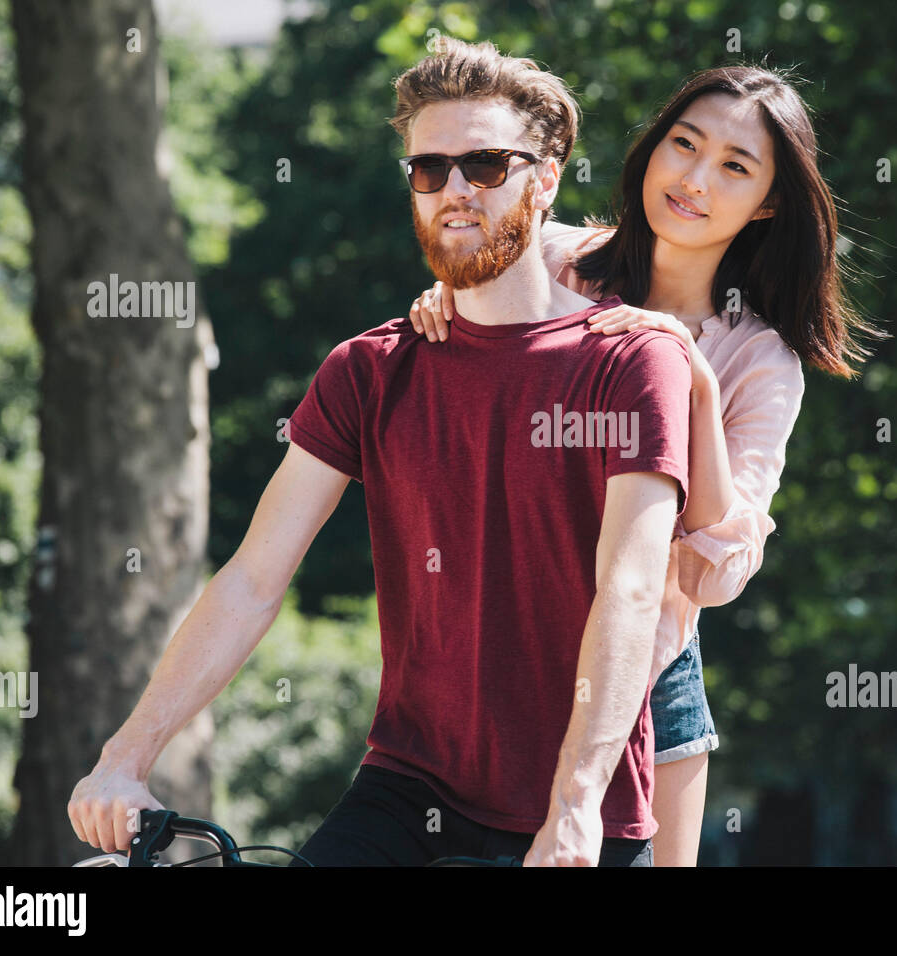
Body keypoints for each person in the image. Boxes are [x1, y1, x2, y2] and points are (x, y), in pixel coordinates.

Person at [67, 36, 691, 867]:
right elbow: (254, 578)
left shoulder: (629, 360)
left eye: (486, 166)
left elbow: (633, 587)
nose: (455, 192)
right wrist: (123, 758)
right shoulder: (369, 369)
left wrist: (572, 805)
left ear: (545, 181)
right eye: (428, 171)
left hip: (585, 807)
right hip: (409, 787)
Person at [408, 63, 882, 865]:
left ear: (768, 201)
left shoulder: (760, 362)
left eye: (734, 167)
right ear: (651, 149)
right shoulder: (554, 259)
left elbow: (713, 577)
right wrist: (440, 299)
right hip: (499, 646)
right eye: (683, 145)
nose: (695, 180)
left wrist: (688, 378)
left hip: (649, 676)